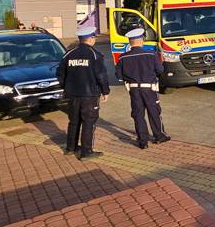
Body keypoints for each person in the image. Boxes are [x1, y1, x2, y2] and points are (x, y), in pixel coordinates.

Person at [57, 26, 110, 159]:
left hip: (72, 94)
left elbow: (60, 74)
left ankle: (71, 148)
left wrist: (66, 87)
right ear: (91, 38)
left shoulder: (68, 54)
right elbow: (101, 75)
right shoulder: (94, 55)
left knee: (74, 121)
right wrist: (105, 91)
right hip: (89, 95)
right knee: (89, 121)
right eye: (94, 37)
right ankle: (86, 151)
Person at [115, 28, 170, 149]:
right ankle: (159, 136)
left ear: (130, 42)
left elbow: (118, 76)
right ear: (142, 40)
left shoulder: (122, 57)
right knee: (154, 112)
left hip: (134, 90)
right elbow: (160, 70)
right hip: (149, 89)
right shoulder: (151, 54)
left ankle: (142, 141)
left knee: (138, 114)